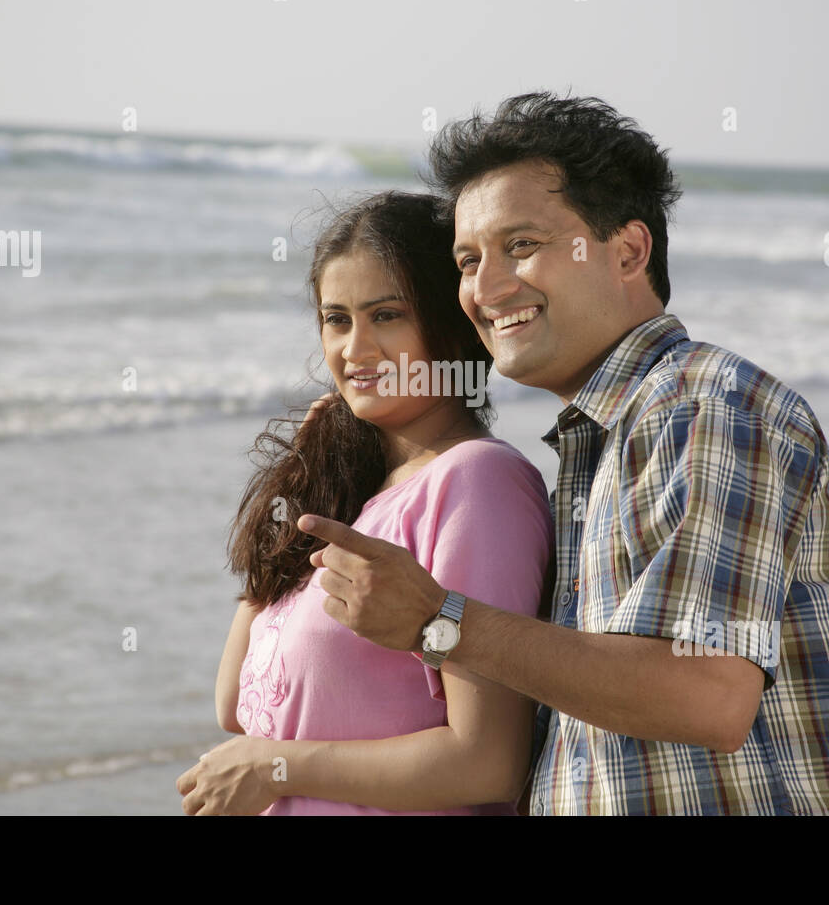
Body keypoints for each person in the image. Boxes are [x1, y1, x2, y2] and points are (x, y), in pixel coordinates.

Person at [296, 93, 829, 815]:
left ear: (628, 251)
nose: (487, 288)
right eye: (469, 260)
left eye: (522, 246)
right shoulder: (600, 442)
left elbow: (706, 693)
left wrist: (438, 621)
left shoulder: (703, 406)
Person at [177, 190, 554, 815]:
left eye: (386, 315)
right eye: (337, 319)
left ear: (449, 319)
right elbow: (235, 705)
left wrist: (275, 769)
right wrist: (304, 483)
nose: (356, 349)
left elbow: (487, 762)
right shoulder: (356, 495)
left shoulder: (477, 483)